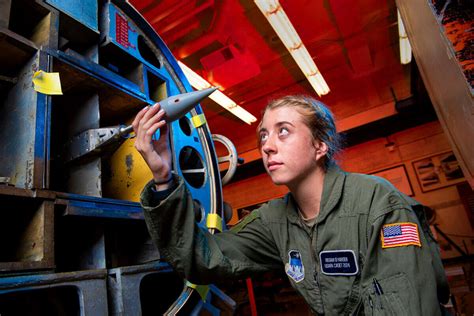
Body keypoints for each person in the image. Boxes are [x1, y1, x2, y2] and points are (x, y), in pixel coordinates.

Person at [132, 95, 450, 315]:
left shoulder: (379, 204)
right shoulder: (275, 219)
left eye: (283, 132)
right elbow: (202, 260)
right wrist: (164, 179)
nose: (267, 146)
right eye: (264, 136)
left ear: (320, 145)